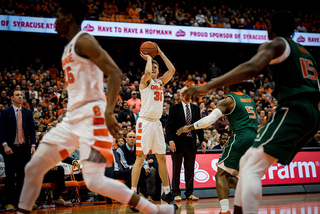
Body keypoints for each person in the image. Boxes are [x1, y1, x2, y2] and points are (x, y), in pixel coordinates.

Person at [16, 1, 174, 213]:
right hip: (73, 118)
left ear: (69, 17)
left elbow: (115, 73)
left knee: (95, 182)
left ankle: (156, 207)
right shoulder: (69, 47)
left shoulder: (85, 40)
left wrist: (109, 111)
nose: (55, 21)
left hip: (93, 118)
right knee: (34, 168)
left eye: (59, 15)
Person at [183, 11, 320, 214]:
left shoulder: (276, 44)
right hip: (313, 115)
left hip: (294, 109)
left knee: (250, 167)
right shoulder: (306, 53)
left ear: (270, 27)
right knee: (248, 163)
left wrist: (206, 86)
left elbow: (252, 66)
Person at [177, 84, 258, 214]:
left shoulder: (228, 100)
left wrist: (189, 127)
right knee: (228, 176)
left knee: (219, 175)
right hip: (254, 138)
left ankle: (225, 210)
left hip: (241, 137)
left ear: (226, 87)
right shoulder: (249, 98)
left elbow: (208, 120)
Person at [131, 44, 178, 210]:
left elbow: (171, 70)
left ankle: (166, 192)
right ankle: (134, 194)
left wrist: (161, 53)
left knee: (162, 158)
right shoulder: (144, 82)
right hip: (144, 122)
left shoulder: (160, 82)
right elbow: (147, 73)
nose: (155, 69)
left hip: (157, 123)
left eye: (157, 67)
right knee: (140, 157)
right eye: (153, 67)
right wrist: (150, 58)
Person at [166, 86, 206, 201]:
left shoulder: (195, 108)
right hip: (177, 143)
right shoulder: (174, 108)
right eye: (185, 93)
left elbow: (199, 126)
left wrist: (202, 140)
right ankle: (176, 193)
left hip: (191, 142)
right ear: (181, 95)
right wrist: (171, 140)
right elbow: (169, 126)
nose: (188, 95)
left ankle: (189, 193)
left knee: (190, 169)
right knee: (176, 169)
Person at [0, 89, 37, 211]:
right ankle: (8, 202)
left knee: (22, 177)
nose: (20, 97)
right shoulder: (5, 112)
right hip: (10, 149)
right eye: (17, 95)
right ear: (12, 98)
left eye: (21, 95)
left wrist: (33, 146)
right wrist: (5, 145)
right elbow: (1, 130)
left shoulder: (27, 112)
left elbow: (32, 130)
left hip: (24, 149)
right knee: (10, 176)